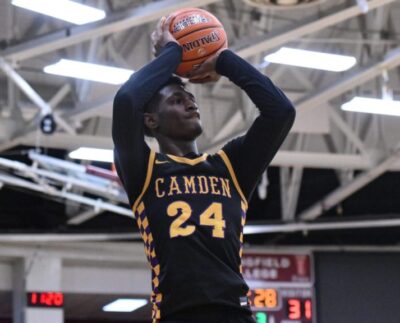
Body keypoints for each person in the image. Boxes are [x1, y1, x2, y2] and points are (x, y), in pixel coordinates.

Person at [112, 15, 295, 323]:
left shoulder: (231, 167)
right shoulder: (144, 170)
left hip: (235, 314)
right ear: (151, 120)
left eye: (191, 98)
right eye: (177, 100)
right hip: (177, 315)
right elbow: (128, 100)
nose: (191, 104)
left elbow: (281, 112)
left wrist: (221, 58)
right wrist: (172, 52)